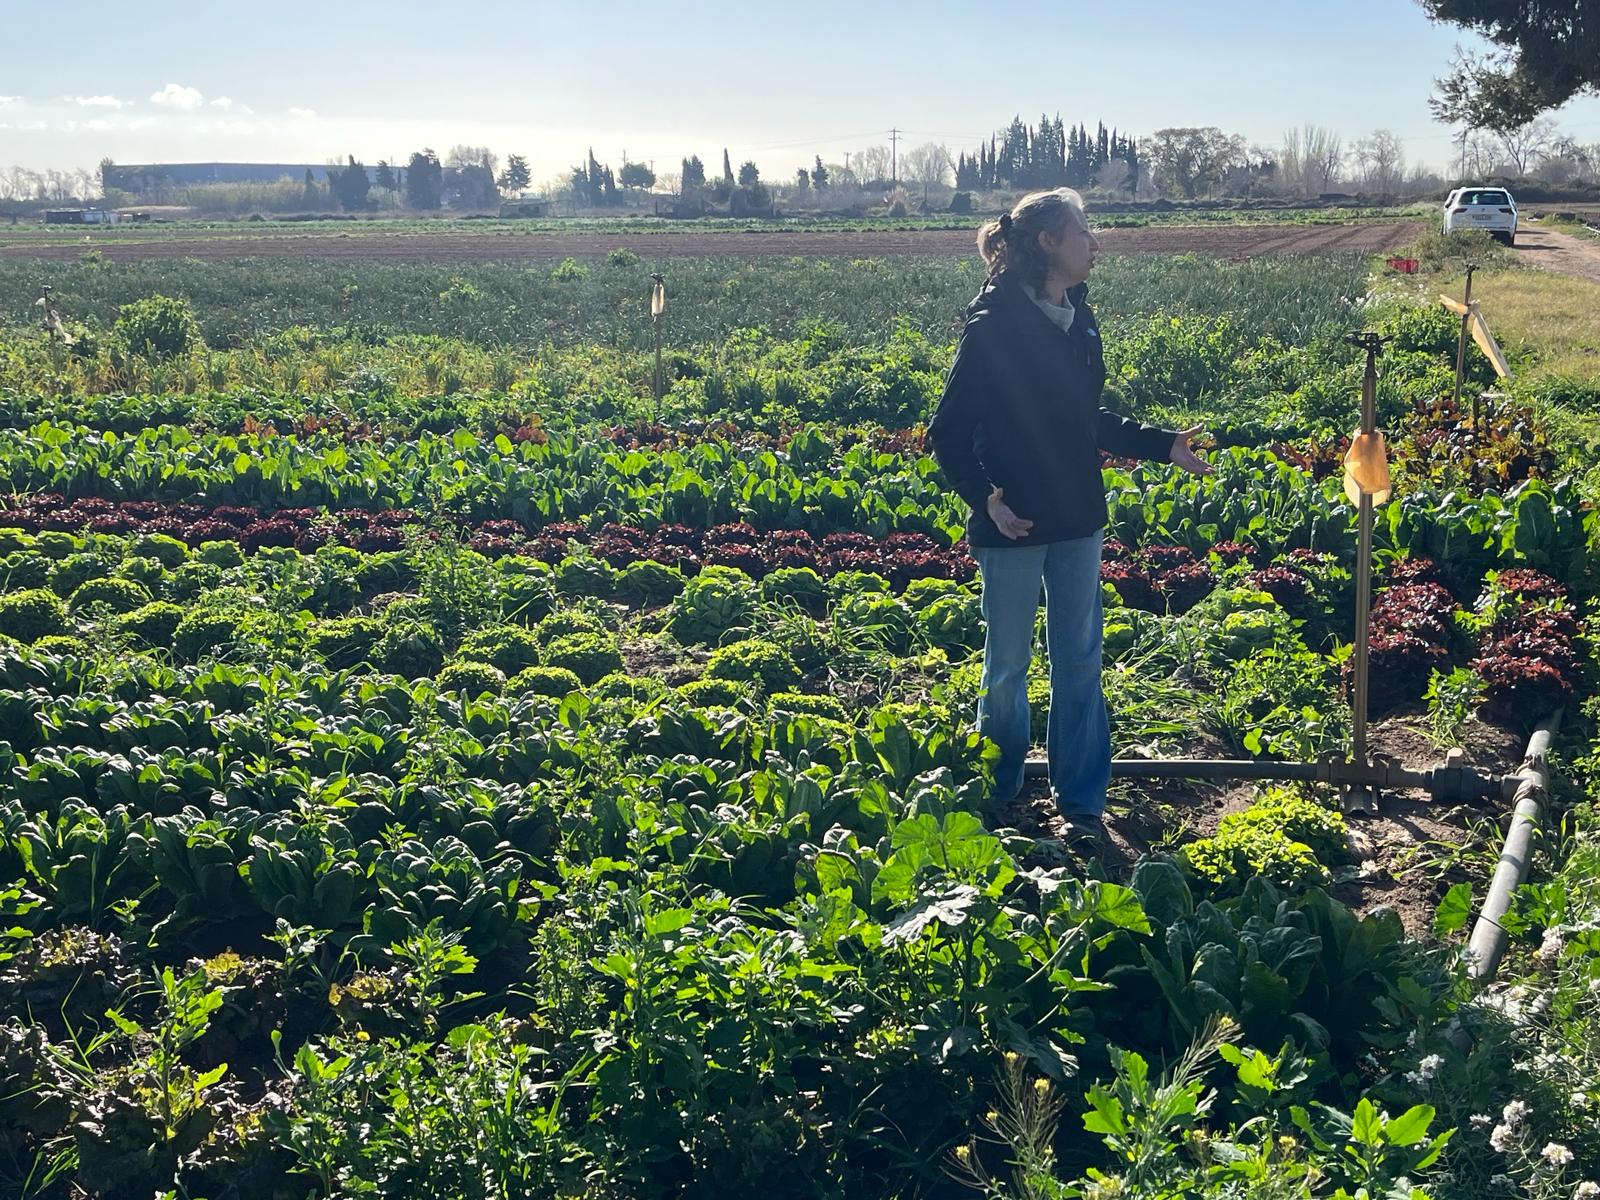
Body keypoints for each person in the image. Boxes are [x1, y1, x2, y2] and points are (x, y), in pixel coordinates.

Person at [929, 188, 1212, 846]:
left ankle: (1081, 803)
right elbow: (947, 430)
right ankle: (998, 791)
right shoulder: (994, 325)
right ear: (1048, 243)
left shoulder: (1078, 318)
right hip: (1015, 523)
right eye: (1082, 231)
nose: (1094, 242)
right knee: (1007, 667)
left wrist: (1161, 444)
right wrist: (986, 499)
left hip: (1078, 516)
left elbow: (1086, 418)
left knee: (1079, 661)